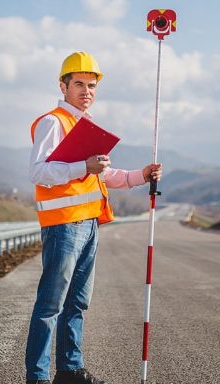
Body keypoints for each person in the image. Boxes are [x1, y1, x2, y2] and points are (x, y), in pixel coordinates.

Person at [25, 51, 163, 384]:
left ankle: (69, 371)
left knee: (77, 303)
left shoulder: (83, 126)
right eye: (79, 85)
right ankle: (38, 378)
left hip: (88, 225)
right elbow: (38, 172)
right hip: (63, 226)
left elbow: (102, 175)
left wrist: (139, 175)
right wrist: (82, 166)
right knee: (50, 306)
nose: (86, 91)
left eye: (91, 85)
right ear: (63, 85)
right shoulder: (53, 122)